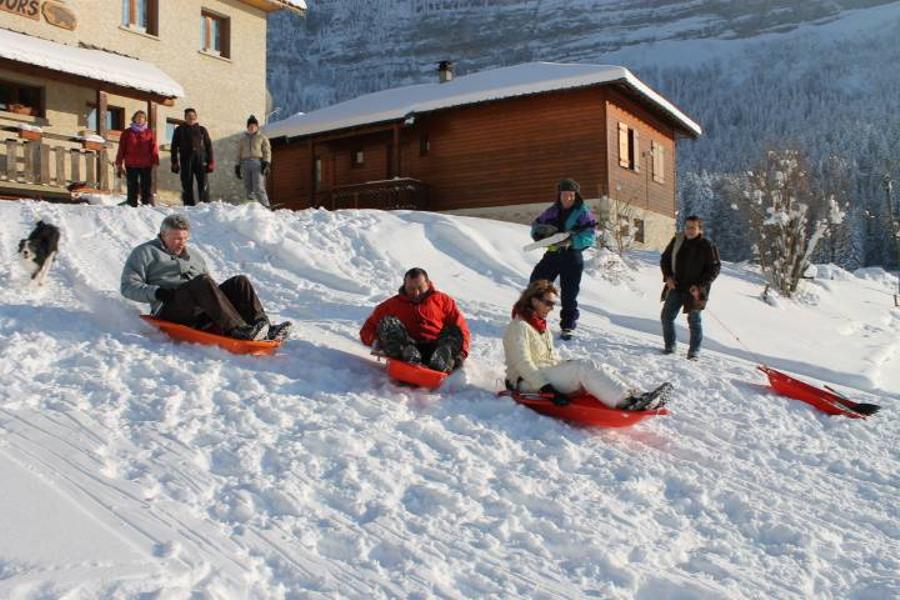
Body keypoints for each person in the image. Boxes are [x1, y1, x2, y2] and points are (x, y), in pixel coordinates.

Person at [121, 214, 291, 341]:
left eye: (185, 238)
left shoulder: (194, 255)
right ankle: (239, 330)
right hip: (171, 307)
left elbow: (210, 288)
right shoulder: (144, 252)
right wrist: (157, 293)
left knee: (239, 282)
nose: (181, 243)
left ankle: (264, 327)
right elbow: (128, 287)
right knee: (202, 281)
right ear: (163, 235)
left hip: (200, 308)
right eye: (176, 238)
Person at [503, 280, 671, 410]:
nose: (552, 308)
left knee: (598, 365)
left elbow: (550, 358)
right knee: (584, 367)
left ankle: (638, 395)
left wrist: (565, 365)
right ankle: (624, 401)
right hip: (527, 382)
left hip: (544, 374)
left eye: (554, 304)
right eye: (548, 303)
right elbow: (523, 364)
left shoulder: (540, 327)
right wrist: (548, 390)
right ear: (534, 301)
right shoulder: (519, 326)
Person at [360, 267, 470, 373]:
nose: (416, 293)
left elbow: (461, 328)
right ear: (405, 285)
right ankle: (407, 356)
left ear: (428, 283)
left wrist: (461, 354)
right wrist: (379, 344)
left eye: (420, 288)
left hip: (436, 347)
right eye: (411, 289)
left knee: (454, 330)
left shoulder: (443, 301)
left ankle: (442, 360)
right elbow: (367, 330)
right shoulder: (391, 305)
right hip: (406, 346)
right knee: (388, 323)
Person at [529, 178, 597, 341]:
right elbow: (535, 226)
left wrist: (571, 241)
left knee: (569, 293)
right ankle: (535, 318)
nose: (568, 198)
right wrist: (540, 233)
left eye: (572, 195)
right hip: (552, 255)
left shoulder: (583, 212)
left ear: (576, 196)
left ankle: (567, 325)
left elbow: (590, 236)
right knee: (537, 284)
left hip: (572, 257)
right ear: (559, 195)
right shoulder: (552, 211)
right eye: (565, 194)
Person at [659, 215, 721, 359]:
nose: (689, 230)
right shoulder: (677, 241)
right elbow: (665, 259)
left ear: (700, 229)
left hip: (695, 290)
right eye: (687, 227)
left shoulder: (707, 246)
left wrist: (700, 286)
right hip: (676, 286)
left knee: (694, 321)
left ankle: (694, 351)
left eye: (693, 227)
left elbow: (715, 269)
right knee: (666, 317)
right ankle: (670, 346)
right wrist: (668, 277)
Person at [171, 108, 214, 206]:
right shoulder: (179, 130)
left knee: (203, 183)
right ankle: (189, 206)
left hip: (200, 160)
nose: (191, 118)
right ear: (185, 117)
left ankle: (205, 205)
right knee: (186, 183)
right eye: (188, 116)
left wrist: (211, 161)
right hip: (186, 160)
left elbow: (209, 146)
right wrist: (174, 162)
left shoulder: (202, 130)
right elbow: (173, 147)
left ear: (196, 117)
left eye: (193, 116)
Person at [115, 110, 159, 207]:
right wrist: (119, 161)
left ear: (145, 120)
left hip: (146, 164)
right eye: (138, 117)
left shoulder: (149, 132)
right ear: (134, 118)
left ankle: (146, 204)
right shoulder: (127, 132)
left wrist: (155, 160)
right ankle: (132, 204)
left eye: (142, 117)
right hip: (131, 163)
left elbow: (154, 147)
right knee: (132, 185)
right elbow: (121, 148)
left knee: (146, 185)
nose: (140, 119)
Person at [235, 114, 272, 208]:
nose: (251, 128)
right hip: (245, 163)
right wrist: (237, 166)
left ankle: (266, 205)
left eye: (253, 126)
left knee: (258, 186)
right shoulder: (243, 139)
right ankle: (251, 207)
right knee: (248, 187)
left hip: (257, 163)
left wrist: (266, 163)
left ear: (257, 127)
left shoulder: (262, 137)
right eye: (250, 126)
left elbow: (267, 150)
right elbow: (239, 153)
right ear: (247, 127)